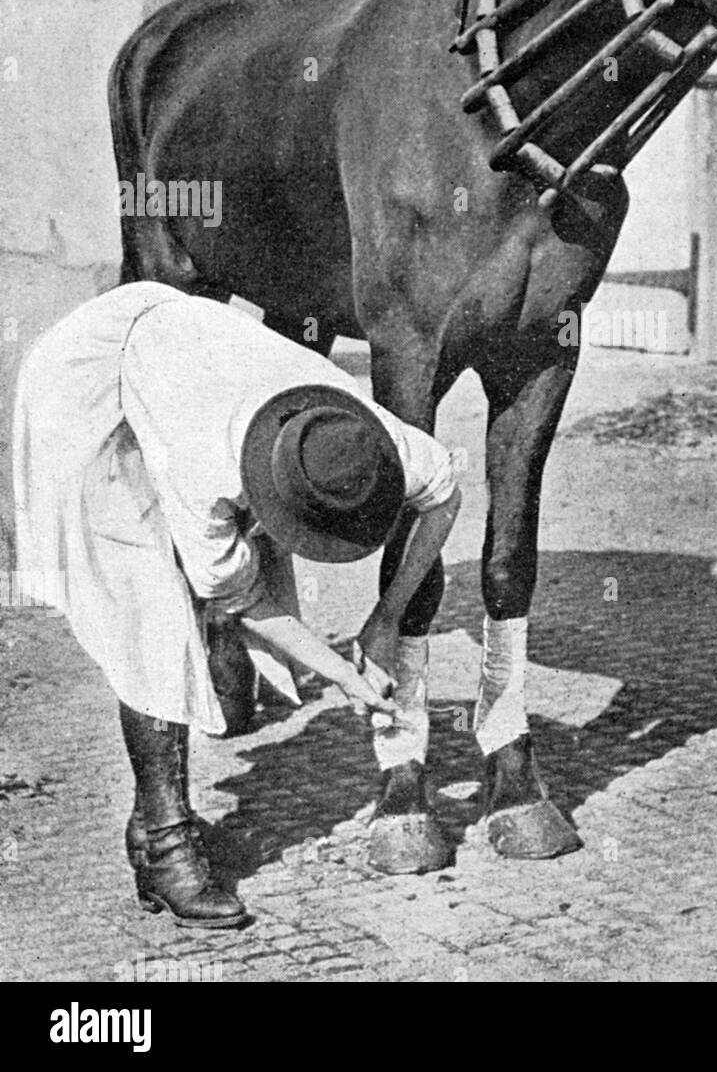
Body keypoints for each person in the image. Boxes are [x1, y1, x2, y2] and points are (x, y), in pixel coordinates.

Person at [12, 281, 462, 929]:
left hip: (189, 354)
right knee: (155, 616)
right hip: (90, 380)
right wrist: (342, 673)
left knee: (203, 581)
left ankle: (150, 825)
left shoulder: (359, 431)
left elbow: (444, 495)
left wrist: (385, 621)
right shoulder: (207, 468)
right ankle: (165, 842)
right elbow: (240, 594)